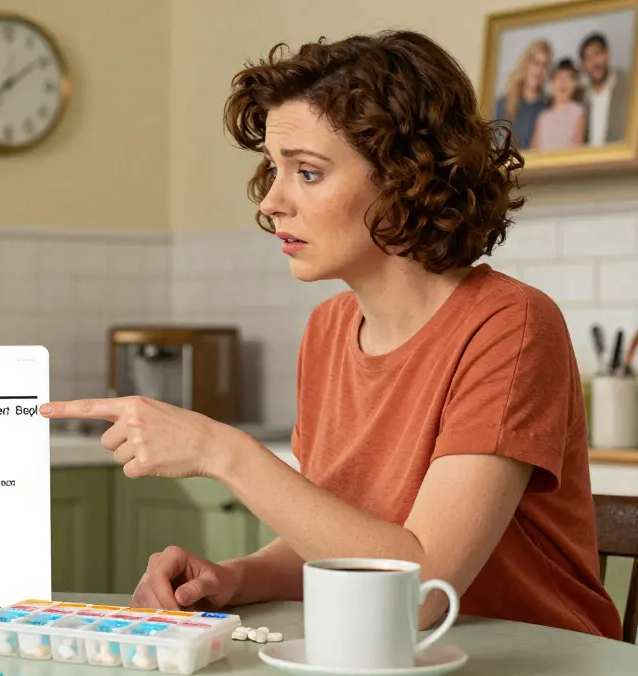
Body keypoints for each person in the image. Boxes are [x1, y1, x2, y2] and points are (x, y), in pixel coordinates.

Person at [42, 30, 623, 639]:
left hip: (539, 674)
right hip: (400, 668)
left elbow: (418, 591)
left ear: (405, 178)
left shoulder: (510, 325)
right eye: (273, 168)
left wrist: (223, 451)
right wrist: (234, 577)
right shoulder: (329, 330)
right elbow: (346, 544)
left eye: (309, 173)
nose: (271, 201)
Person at [494, 38, 551, 149]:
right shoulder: (504, 104)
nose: (539, 70)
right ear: (525, 65)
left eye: (544, 65)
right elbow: (498, 148)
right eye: (536, 63)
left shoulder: (548, 107)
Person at [579, 32, 630, 147]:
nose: (594, 63)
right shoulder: (581, 95)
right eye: (588, 58)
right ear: (584, 65)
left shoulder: (628, 83)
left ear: (607, 54)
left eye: (597, 54)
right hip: (591, 161)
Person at [531, 58, 587, 151]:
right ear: (551, 82)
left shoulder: (578, 111)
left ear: (575, 84)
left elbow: (577, 148)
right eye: (559, 78)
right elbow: (534, 149)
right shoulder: (543, 116)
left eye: (568, 79)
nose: (563, 83)